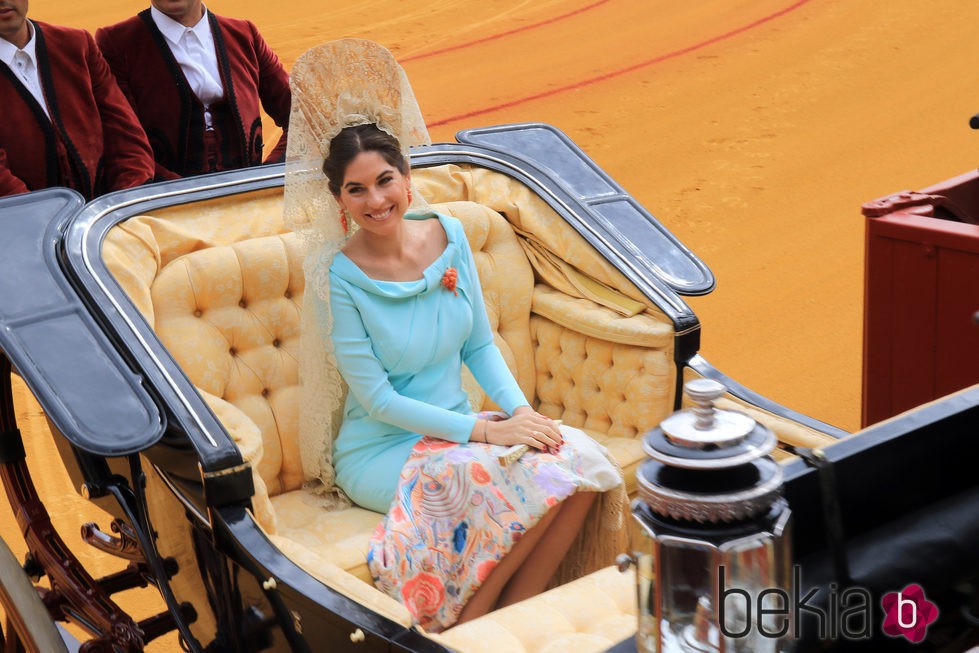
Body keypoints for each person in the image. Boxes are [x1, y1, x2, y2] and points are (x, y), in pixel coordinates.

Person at [284, 39, 624, 633]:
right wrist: (490, 430)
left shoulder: (449, 236)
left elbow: (478, 345)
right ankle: (460, 628)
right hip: (384, 450)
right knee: (505, 481)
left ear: (407, 177)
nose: (376, 200)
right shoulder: (339, 276)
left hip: (461, 433)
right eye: (356, 189)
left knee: (578, 464)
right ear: (337, 199)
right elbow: (378, 401)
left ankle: (513, 617)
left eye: (385, 180)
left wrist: (524, 415)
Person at [95, 0, 291, 181]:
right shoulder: (115, 43)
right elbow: (121, 143)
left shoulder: (245, 34)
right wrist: (178, 196)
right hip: (163, 206)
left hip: (250, 201)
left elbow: (303, 118)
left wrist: (269, 172)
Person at [0, 0, 155, 199]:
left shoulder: (77, 44)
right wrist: (45, 219)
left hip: (105, 218)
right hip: (23, 223)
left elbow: (125, 136)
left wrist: (125, 204)